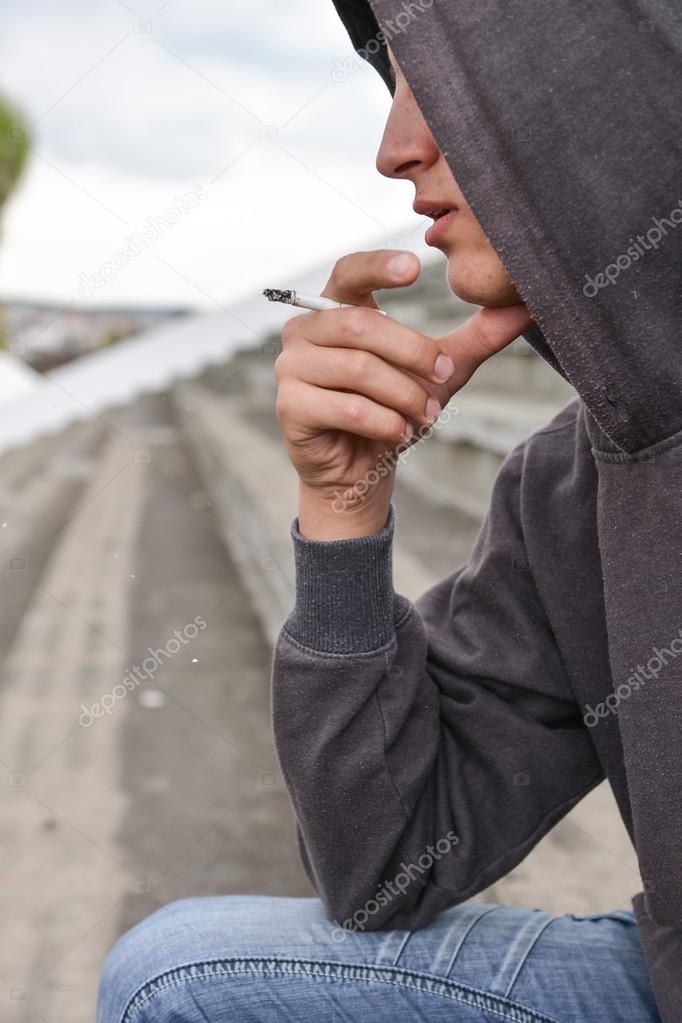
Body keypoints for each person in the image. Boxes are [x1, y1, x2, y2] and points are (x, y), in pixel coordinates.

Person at [97, 1, 682, 1019]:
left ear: (603, 79)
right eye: (392, 84)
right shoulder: (571, 481)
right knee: (181, 979)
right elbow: (385, 867)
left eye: (442, 79)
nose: (391, 150)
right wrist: (340, 502)